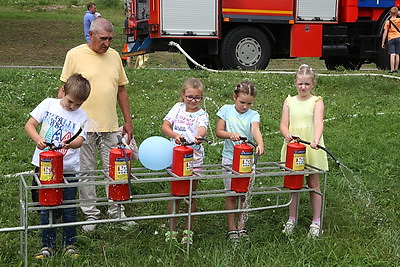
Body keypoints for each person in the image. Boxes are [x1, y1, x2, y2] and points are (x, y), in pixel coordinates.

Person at [59, 17, 135, 232]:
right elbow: (64, 91)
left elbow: (121, 89)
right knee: (86, 171)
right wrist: (61, 121)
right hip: (83, 127)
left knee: (116, 170)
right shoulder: (74, 55)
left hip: (110, 125)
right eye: (103, 38)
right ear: (91, 35)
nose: (107, 43)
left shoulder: (114, 56)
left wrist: (127, 121)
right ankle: (90, 213)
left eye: (110, 39)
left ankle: (117, 210)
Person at [25, 74, 90, 258]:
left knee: (69, 207)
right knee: (46, 206)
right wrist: (38, 139)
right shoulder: (48, 104)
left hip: (68, 169)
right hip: (45, 167)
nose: (72, 107)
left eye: (78, 104)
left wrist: (70, 144)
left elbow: (81, 139)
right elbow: (30, 125)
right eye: (70, 101)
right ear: (63, 91)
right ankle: (48, 246)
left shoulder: (82, 115)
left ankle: (69, 245)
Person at [280, 64, 328, 238]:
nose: (303, 87)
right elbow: (283, 124)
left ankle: (316, 221)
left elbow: (318, 122)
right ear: (295, 82)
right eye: (300, 84)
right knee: (294, 184)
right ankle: (292, 219)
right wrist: (287, 134)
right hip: (294, 148)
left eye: (307, 84)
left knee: (313, 183)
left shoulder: (317, 101)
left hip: (311, 146)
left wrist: (315, 139)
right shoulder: (289, 101)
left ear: (313, 84)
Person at [161, 78, 209, 245]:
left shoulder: (202, 114)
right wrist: (175, 135)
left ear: (201, 98)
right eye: (189, 97)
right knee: (175, 195)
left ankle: (188, 230)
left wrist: (199, 136)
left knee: (191, 195)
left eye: (197, 98)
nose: (193, 101)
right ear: (183, 95)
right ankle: (171, 230)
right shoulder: (178, 107)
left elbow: (202, 127)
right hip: (175, 158)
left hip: (193, 159)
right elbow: (165, 125)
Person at [216, 81, 265, 242]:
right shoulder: (226, 110)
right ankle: (231, 228)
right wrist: (230, 134)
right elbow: (219, 132)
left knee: (244, 194)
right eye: (242, 102)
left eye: (249, 103)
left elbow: (255, 129)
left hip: (246, 159)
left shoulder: (253, 114)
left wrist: (260, 143)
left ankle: (241, 226)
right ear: (234, 97)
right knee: (231, 193)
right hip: (230, 157)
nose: (245, 106)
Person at [382, 7, 400, 73]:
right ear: (397, 13)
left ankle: (392, 69)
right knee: (397, 54)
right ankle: (396, 69)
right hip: (398, 38)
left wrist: (383, 42)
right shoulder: (399, 20)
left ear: (390, 13)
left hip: (391, 39)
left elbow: (385, 33)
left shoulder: (388, 22)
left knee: (392, 54)